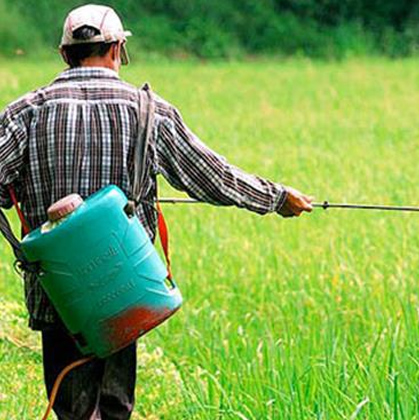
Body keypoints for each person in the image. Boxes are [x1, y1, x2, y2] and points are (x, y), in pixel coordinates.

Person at [0, 4, 312, 419]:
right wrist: (276, 197)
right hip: (125, 291)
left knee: (73, 412)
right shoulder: (147, 110)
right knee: (115, 408)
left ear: (64, 55)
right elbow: (212, 177)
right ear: (117, 49)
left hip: (60, 295)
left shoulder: (25, 113)